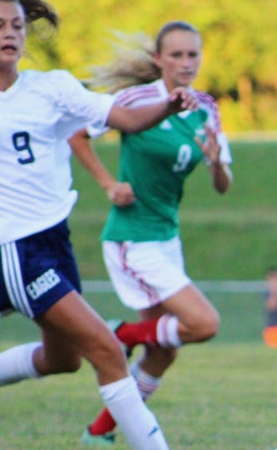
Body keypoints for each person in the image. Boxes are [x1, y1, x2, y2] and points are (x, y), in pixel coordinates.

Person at [0, 1, 197, 449]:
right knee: (107, 351)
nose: (10, 33)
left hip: (53, 243)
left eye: (16, 24)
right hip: (15, 250)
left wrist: (166, 107)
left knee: (62, 359)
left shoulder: (50, 88)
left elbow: (124, 118)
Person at [68, 21, 233, 444]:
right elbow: (78, 135)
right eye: (175, 55)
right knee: (203, 323)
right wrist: (108, 184)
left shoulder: (206, 108)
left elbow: (223, 184)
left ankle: (98, 433)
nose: (185, 63)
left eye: (192, 55)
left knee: (163, 351)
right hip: (131, 239)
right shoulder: (138, 99)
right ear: (158, 60)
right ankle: (118, 335)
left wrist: (216, 163)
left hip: (166, 238)